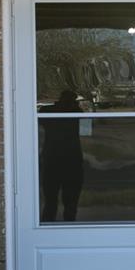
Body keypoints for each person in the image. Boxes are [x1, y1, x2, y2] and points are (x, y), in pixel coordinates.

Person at [39, 90, 84, 221]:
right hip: (70, 159)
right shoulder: (74, 111)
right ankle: (67, 227)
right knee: (69, 202)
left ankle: (47, 228)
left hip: (53, 158)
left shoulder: (47, 111)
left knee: (51, 201)